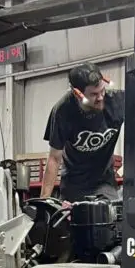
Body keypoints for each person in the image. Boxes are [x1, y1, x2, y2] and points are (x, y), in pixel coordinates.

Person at [40, 64, 124, 201]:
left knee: (110, 212)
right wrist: (44, 201)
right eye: (94, 94)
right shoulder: (63, 111)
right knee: (71, 214)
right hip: (73, 184)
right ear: (77, 94)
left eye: (102, 91)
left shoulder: (118, 102)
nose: (100, 97)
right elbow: (54, 158)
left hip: (104, 182)